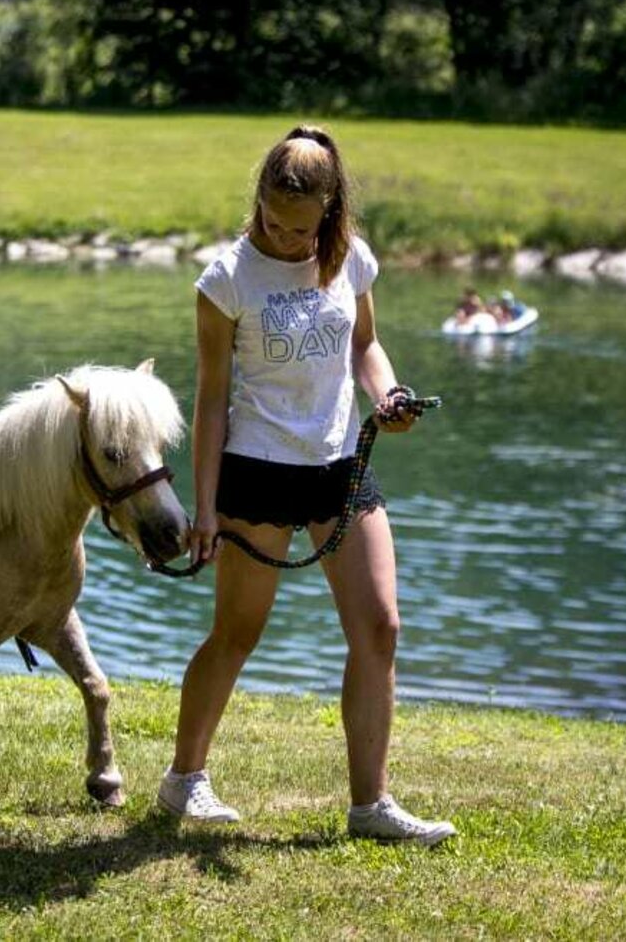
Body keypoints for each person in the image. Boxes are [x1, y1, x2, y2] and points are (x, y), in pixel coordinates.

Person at [158, 124, 455, 846]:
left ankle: (370, 806)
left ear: (330, 210)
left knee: (380, 627)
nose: (284, 237)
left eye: (299, 227)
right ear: (257, 199)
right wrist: (203, 507)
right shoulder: (226, 279)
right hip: (257, 470)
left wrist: (387, 394)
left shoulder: (348, 259)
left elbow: (365, 345)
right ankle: (183, 782)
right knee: (237, 634)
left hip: (340, 467)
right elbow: (209, 399)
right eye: (271, 219)